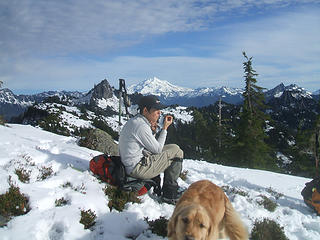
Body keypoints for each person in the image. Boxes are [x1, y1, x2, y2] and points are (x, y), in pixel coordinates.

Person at [119, 95, 184, 203]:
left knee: (174, 147)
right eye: (156, 110)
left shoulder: (138, 121)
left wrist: (153, 130)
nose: (159, 113)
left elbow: (150, 145)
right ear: (145, 110)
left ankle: (169, 189)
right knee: (177, 152)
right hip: (137, 168)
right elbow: (157, 149)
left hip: (132, 164)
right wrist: (165, 128)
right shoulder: (141, 126)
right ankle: (170, 193)